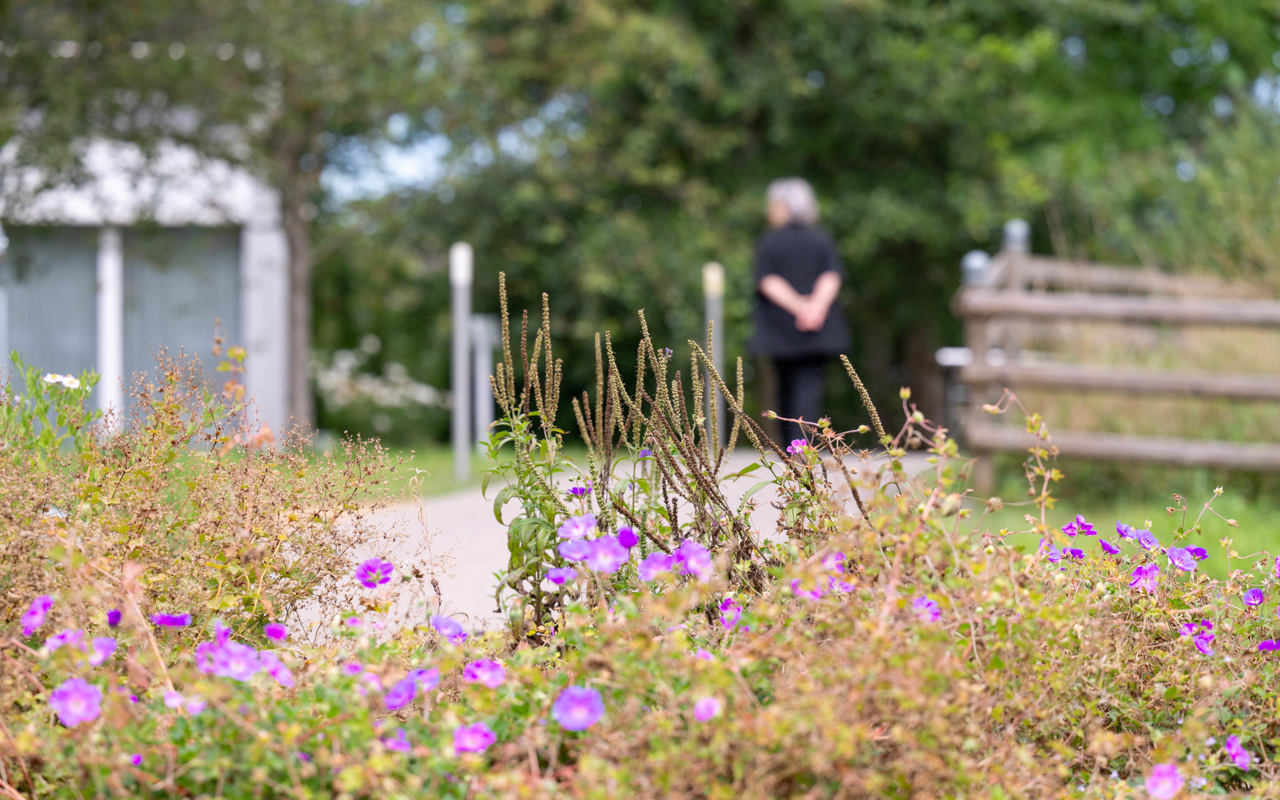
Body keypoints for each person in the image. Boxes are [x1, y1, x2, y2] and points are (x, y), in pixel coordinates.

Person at [748, 177, 850, 445]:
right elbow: (831, 276)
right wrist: (814, 308)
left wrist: (799, 307)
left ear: (783, 206)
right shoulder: (821, 240)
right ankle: (802, 450)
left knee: (784, 390)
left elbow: (768, 281)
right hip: (817, 329)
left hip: (782, 331)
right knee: (809, 391)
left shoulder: (769, 243)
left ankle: (791, 450)